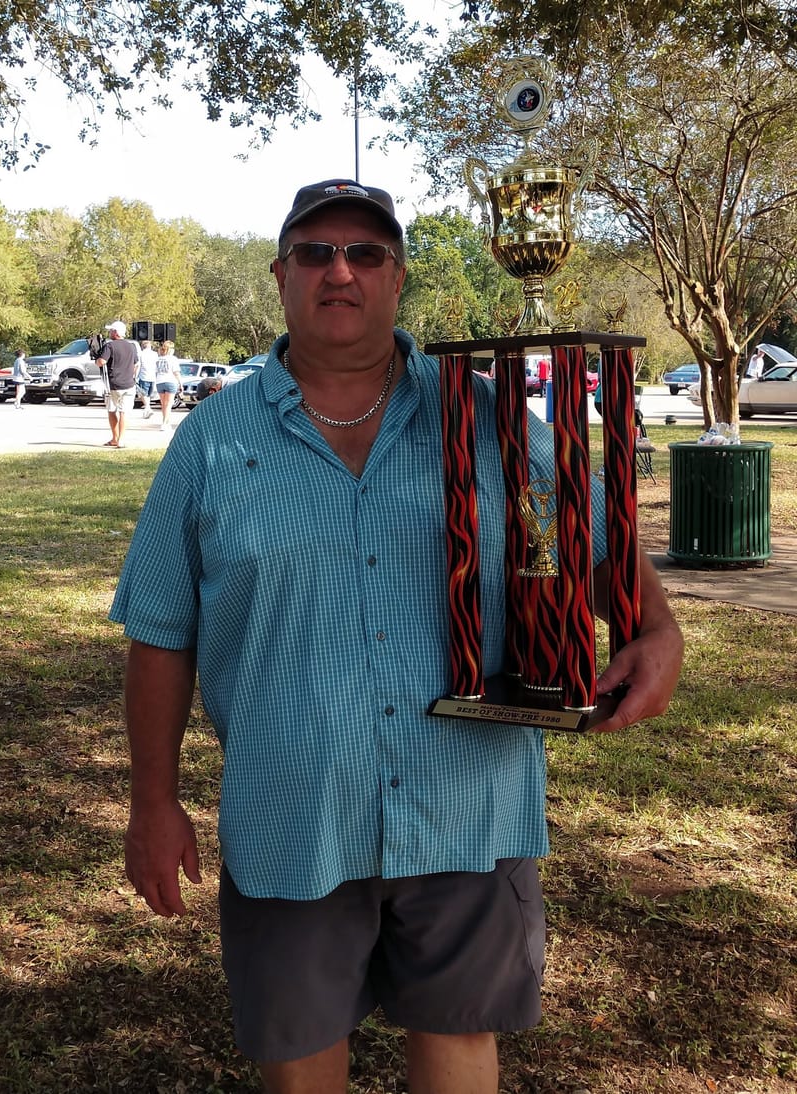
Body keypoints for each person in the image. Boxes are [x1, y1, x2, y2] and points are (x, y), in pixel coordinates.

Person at [111, 178, 683, 1094]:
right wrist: (153, 803)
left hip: (468, 806)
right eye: (316, 252)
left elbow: (586, 531)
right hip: (289, 816)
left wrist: (657, 630)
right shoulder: (211, 441)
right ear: (281, 275)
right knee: (300, 1069)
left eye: (365, 253)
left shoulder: (488, 411)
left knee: (460, 1048)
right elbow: (160, 634)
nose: (341, 271)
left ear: (398, 277)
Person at [96, 321, 139, 448]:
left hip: (114, 384)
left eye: (111, 331)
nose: (110, 333)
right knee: (124, 413)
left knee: (112, 410)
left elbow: (102, 362)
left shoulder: (110, 346)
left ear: (115, 332)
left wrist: (97, 359)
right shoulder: (132, 346)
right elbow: (136, 363)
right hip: (129, 384)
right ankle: (122, 439)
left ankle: (115, 438)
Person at [154, 340, 182, 431]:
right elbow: (176, 372)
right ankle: (164, 423)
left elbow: (155, 371)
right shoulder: (173, 359)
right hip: (170, 381)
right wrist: (180, 383)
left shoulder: (158, 359)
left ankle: (167, 422)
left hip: (160, 382)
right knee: (169, 404)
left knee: (164, 404)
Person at [137, 340, 159, 419]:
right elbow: (157, 365)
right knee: (148, 395)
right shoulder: (155, 354)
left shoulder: (140, 354)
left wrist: (135, 375)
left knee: (143, 394)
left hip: (143, 376)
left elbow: (138, 365)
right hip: (152, 376)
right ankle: (147, 409)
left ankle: (147, 408)